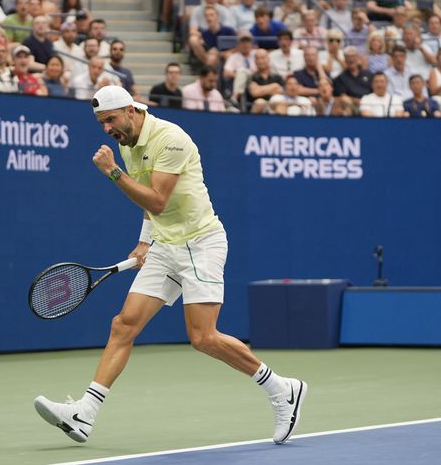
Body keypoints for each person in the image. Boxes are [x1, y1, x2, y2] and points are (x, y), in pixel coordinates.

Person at [34, 84, 308, 446]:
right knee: (123, 325)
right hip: (166, 245)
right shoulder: (126, 142)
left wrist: (113, 173)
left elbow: (158, 200)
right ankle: (85, 413)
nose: (107, 129)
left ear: (131, 111)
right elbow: (149, 204)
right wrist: (145, 241)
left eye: (111, 120)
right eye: (101, 123)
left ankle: (282, 388)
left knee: (204, 338)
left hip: (200, 243)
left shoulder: (170, 138)